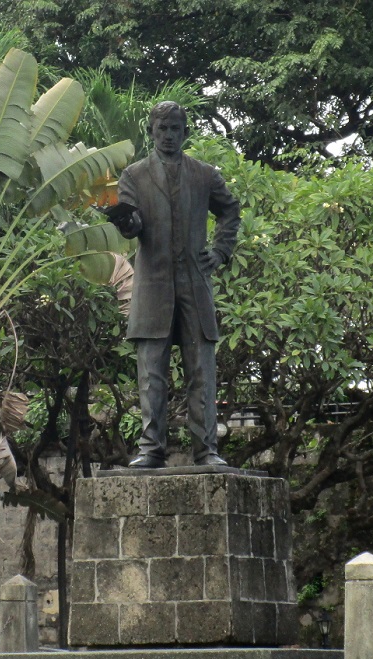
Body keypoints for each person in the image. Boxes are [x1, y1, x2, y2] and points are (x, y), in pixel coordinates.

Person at [114, 101, 240, 468]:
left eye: (175, 128)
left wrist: (220, 251)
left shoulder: (204, 174)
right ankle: (151, 448)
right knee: (151, 373)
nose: (168, 135)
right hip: (152, 286)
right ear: (151, 132)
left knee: (201, 369)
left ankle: (206, 450)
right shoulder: (133, 176)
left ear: (185, 131)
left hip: (195, 284)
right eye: (161, 128)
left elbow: (230, 210)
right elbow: (132, 221)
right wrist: (127, 223)